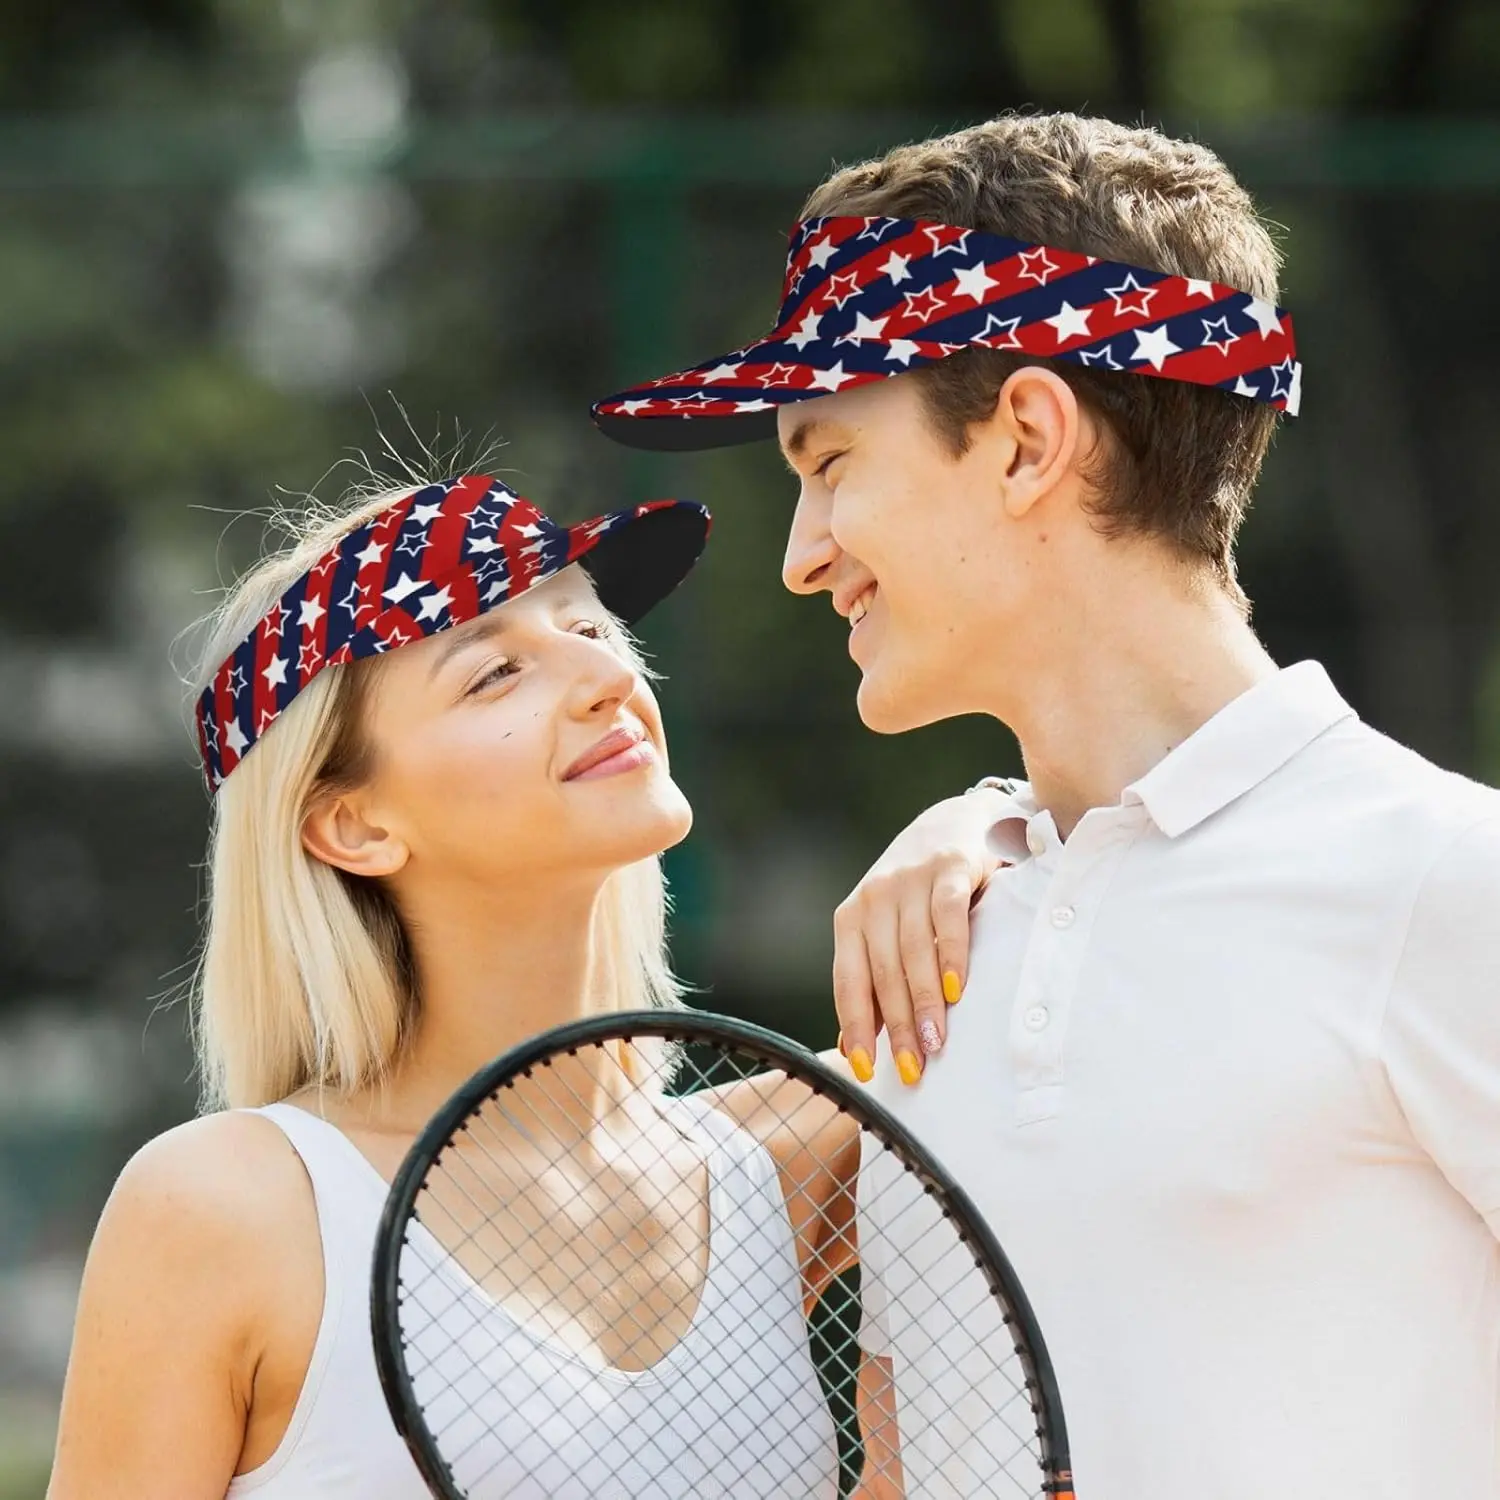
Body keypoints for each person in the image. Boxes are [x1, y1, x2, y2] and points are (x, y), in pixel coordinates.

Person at [592, 112, 1500, 1498]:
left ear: (1024, 439)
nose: (801, 557)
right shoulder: (945, 949)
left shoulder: (1442, 885)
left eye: (828, 464)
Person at [45, 473, 1007, 1499]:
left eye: (591, 630)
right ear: (354, 826)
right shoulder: (228, 1208)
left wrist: (980, 819)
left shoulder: (805, 1152)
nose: (604, 680)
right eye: (494, 674)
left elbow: (1127, 897)